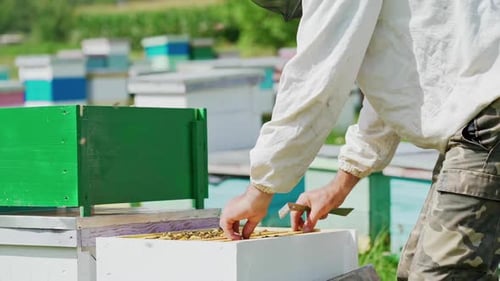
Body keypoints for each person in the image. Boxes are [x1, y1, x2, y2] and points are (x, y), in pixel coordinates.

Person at [219, 0, 500, 279]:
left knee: (440, 275)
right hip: (479, 122)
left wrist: (259, 191)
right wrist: (341, 183)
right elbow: (403, 83)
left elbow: (315, 81)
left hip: (488, 119)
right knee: (411, 272)